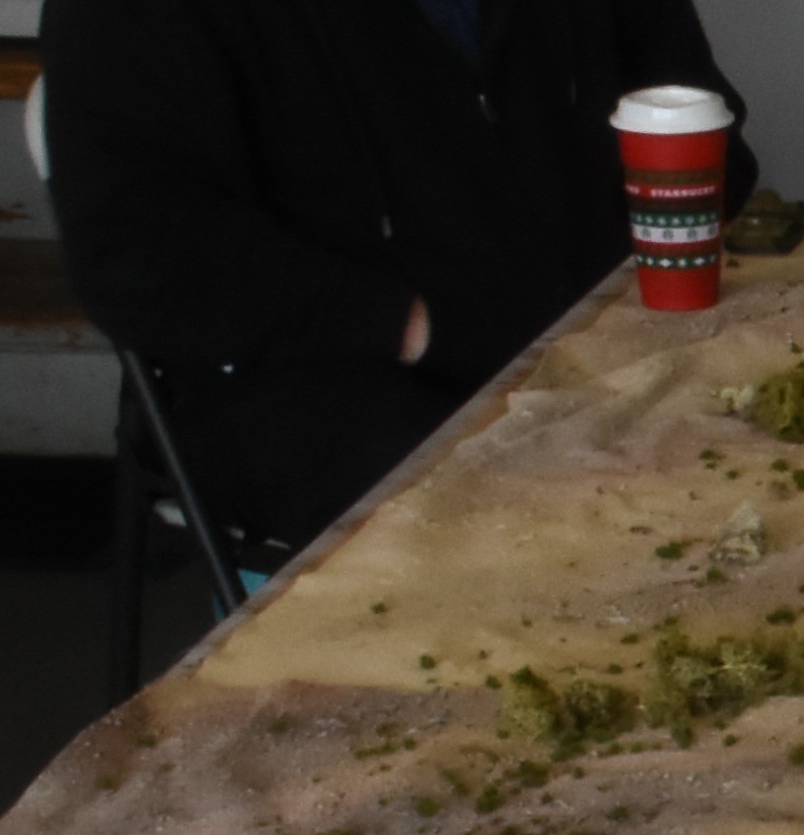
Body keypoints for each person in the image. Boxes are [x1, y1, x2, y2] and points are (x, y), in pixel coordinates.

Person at [40, 0, 745, 552]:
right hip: (313, 366)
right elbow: (137, 254)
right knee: (543, 521)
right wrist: (418, 325)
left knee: (767, 459)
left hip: (589, 331)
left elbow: (707, 133)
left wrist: (670, 202)